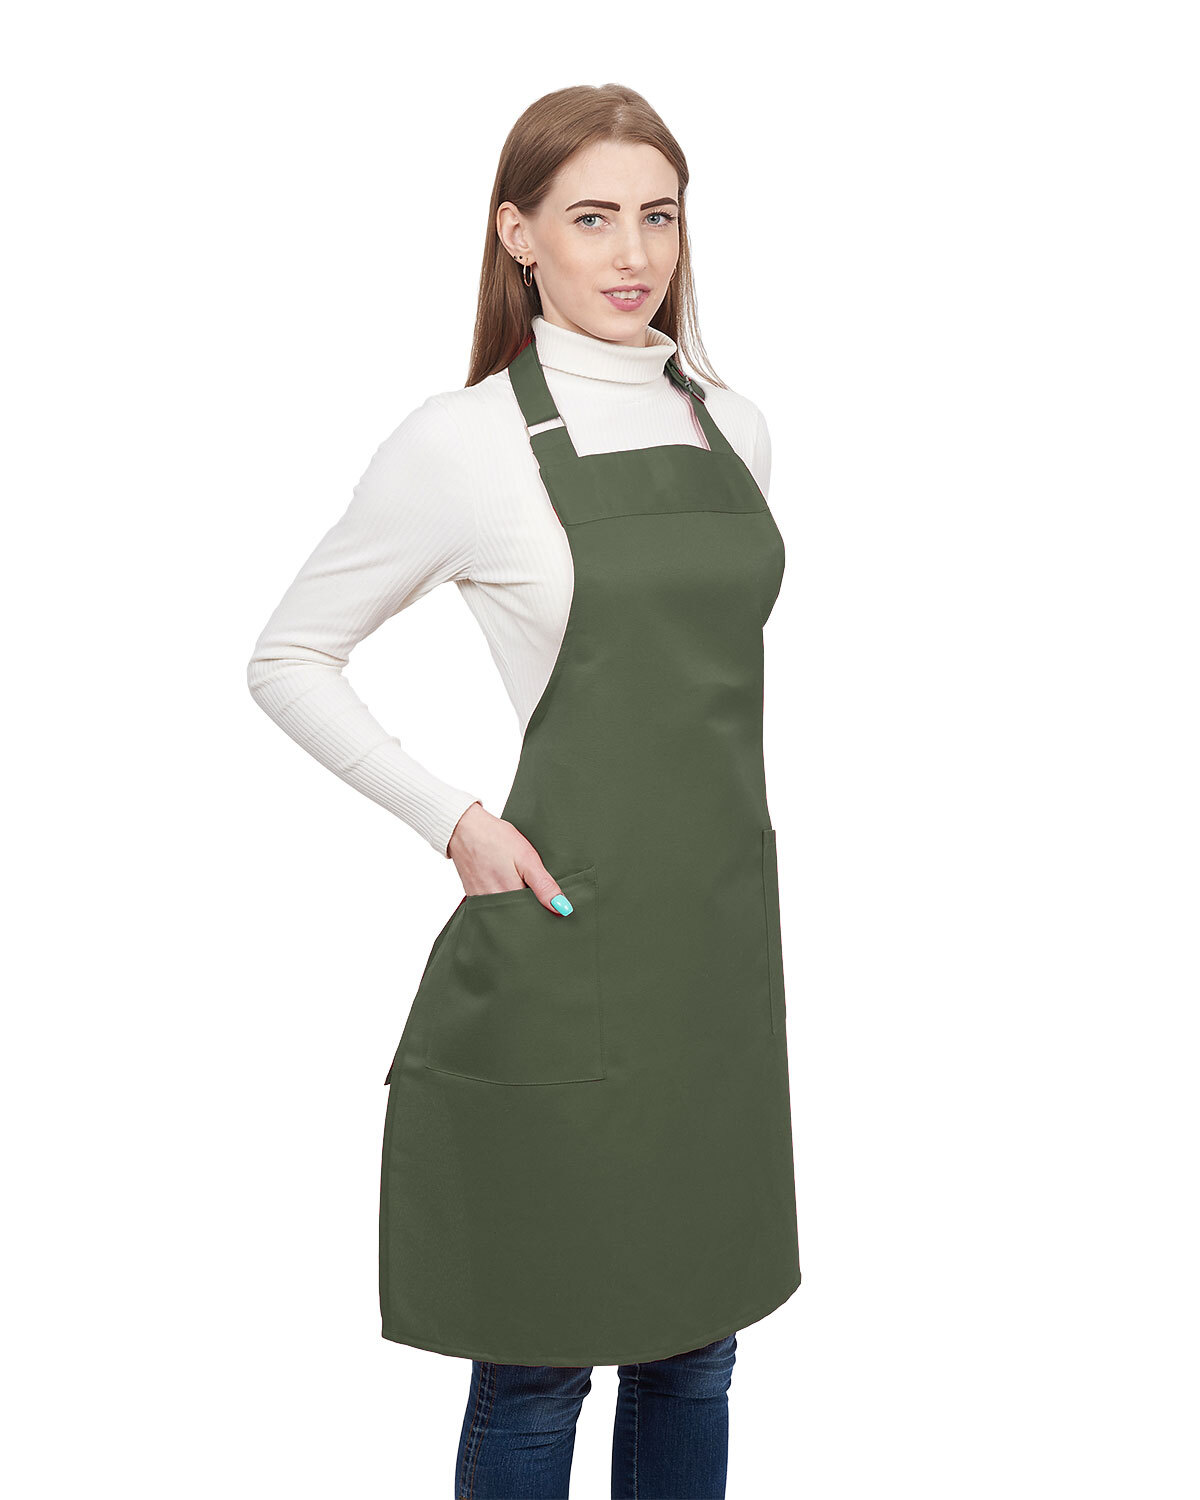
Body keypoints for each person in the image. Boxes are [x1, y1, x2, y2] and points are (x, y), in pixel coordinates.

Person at [247, 82, 801, 1500]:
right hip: (567, 941)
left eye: (658, 217)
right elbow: (290, 657)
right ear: (518, 234)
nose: (634, 254)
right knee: (542, 1355)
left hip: (715, 952)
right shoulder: (468, 442)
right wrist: (455, 820)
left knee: (698, 1347)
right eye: (592, 217)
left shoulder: (733, 428)